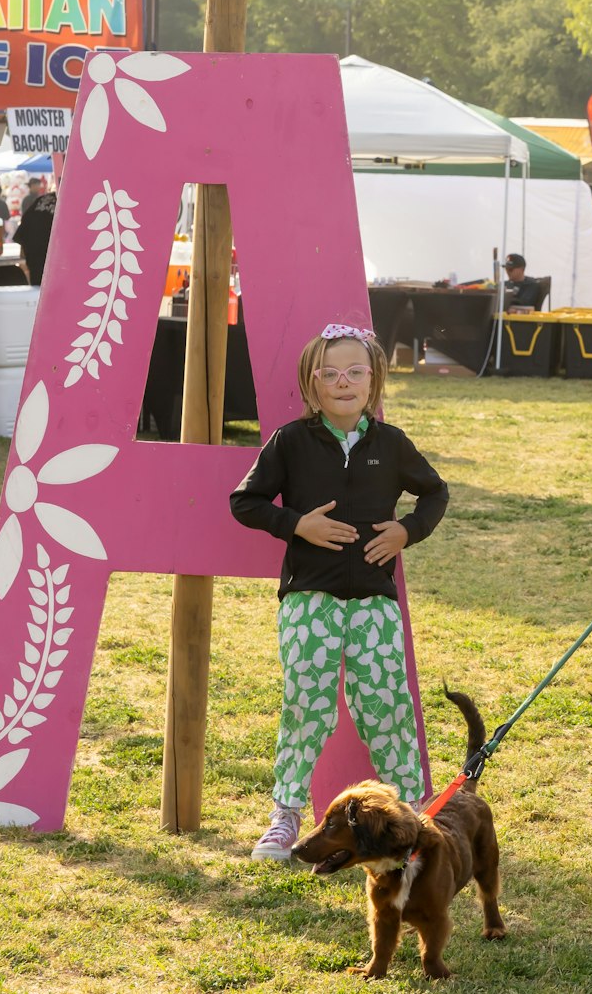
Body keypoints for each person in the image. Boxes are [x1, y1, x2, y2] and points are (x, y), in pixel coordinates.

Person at [230, 324, 449, 860]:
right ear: (312, 383)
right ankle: (284, 815)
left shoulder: (391, 443)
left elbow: (435, 493)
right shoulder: (291, 442)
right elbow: (245, 501)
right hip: (309, 601)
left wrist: (405, 531)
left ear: (373, 380)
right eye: (330, 374)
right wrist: (297, 525)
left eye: (355, 372)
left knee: (388, 705)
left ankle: (415, 817)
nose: (342, 382)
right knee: (307, 704)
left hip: (375, 602)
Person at [15, 178, 58, 286]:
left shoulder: (41, 200)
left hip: (36, 259)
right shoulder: (69, 202)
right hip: (53, 261)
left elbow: (23, 229)